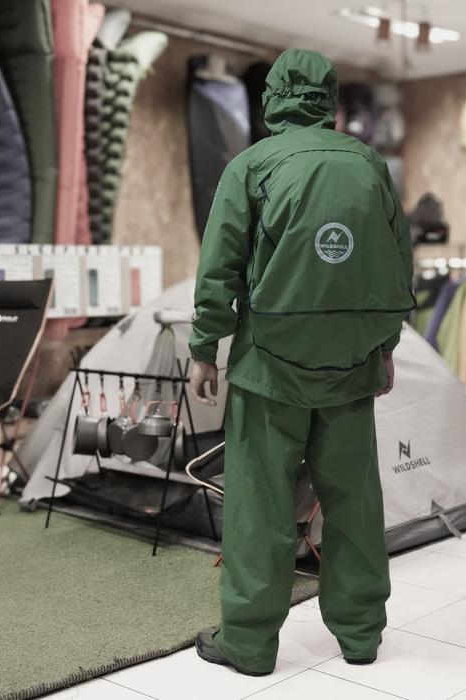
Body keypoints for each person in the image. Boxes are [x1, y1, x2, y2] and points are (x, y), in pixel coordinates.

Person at [188, 48, 414, 676]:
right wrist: (385, 346)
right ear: (330, 100)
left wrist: (205, 348)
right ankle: (361, 635)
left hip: (269, 367)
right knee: (354, 505)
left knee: (259, 506)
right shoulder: (369, 164)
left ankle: (249, 644)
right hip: (352, 366)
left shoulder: (252, 165)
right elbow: (398, 263)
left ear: (272, 99)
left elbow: (220, 265)